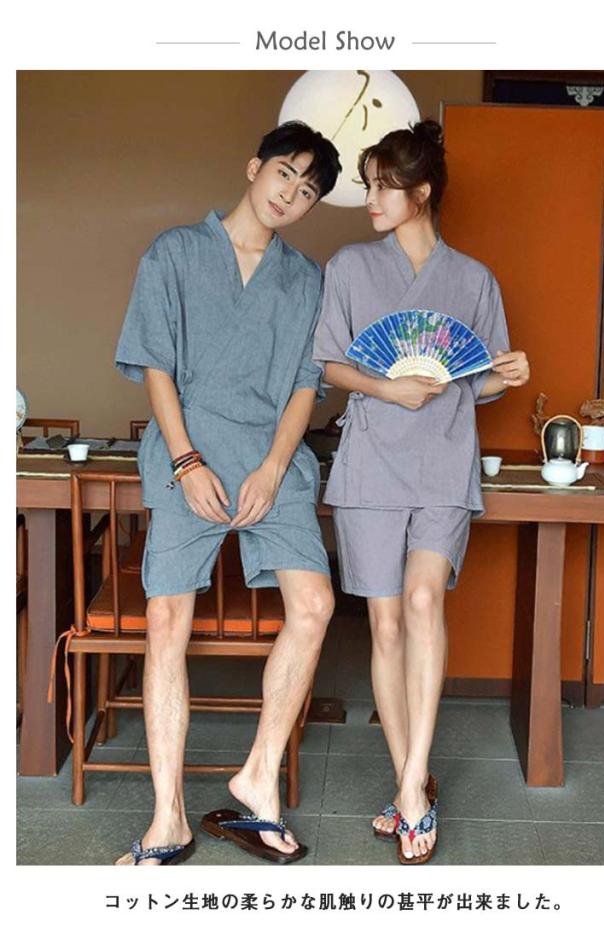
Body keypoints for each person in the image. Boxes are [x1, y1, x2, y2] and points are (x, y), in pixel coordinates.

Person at [114, 121, 341, 865]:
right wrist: (186, 462)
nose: (291, 195)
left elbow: (306, 384)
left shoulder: (306, 279)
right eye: (285, 174)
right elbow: (155, 365)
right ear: (254, 167)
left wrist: (274, 467)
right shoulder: (175, 253)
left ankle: (258, 777)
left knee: (316, 605)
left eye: (308, 191)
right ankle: (168, 818)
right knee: (166, 618)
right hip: (190, 456)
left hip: (272, 461)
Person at [312, 118, 530, 865]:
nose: (370, 199)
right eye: (368, 186)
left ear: (423, 192)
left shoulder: (473, 280)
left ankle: (410, 789)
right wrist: (387, 387)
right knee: (384, 627)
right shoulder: (348, 266)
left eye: (383, 187)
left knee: (423, 600)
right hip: (370, 462)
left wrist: (508, 374)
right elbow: (330, 365)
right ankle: (411, 780)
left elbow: (479, 380)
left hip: (443, 460)